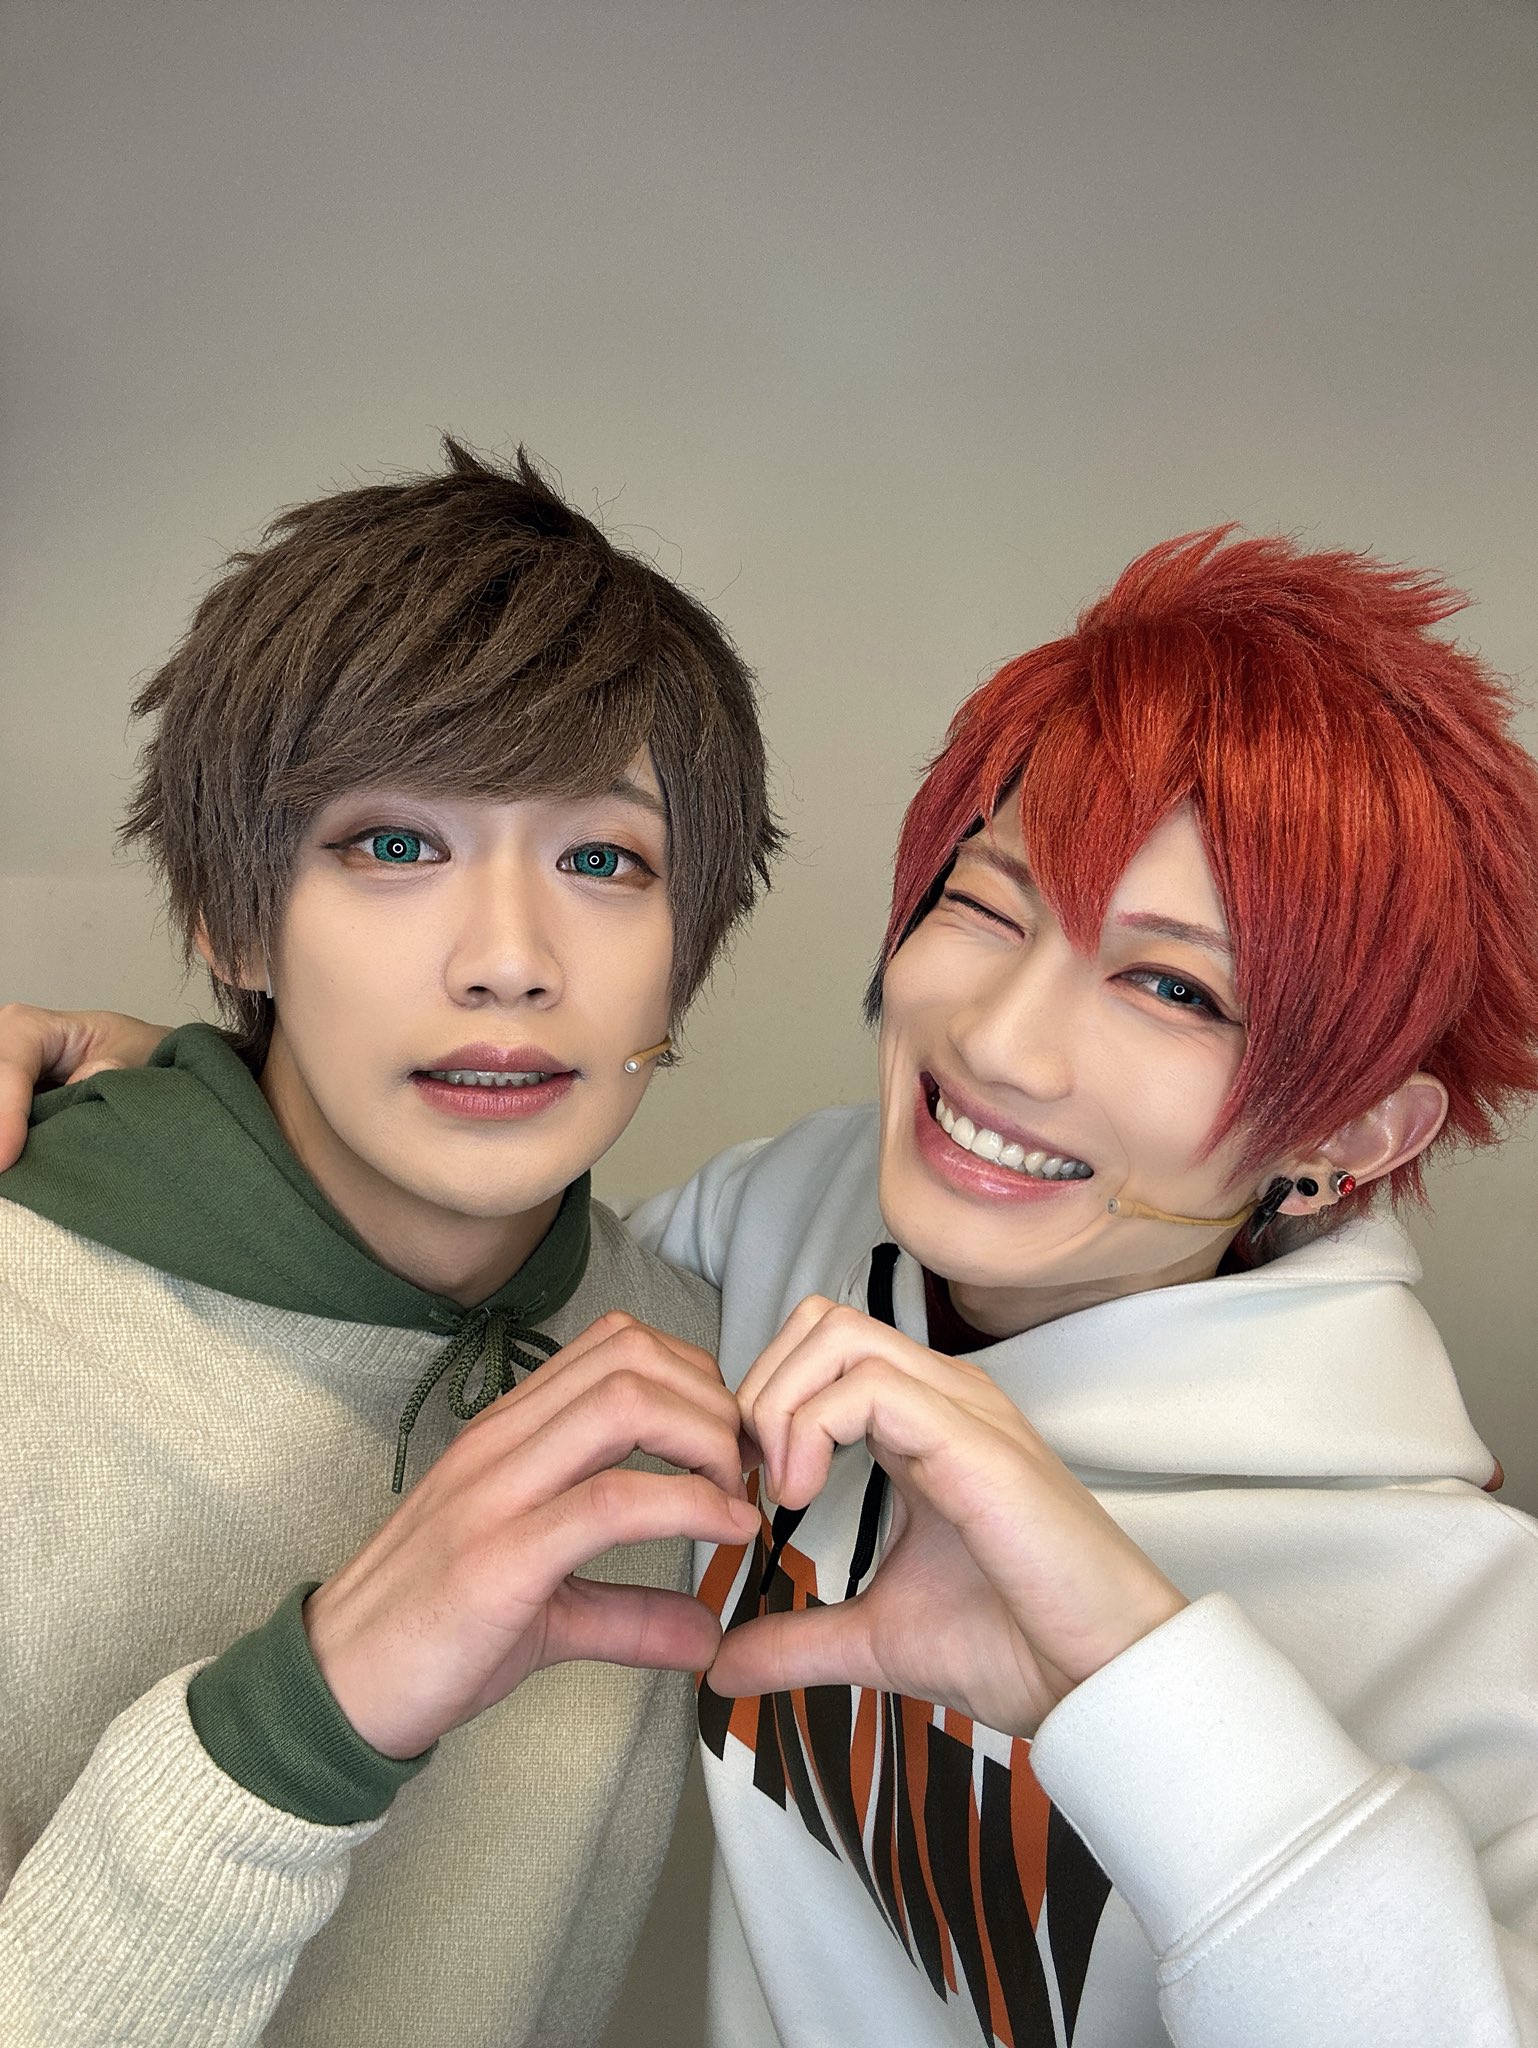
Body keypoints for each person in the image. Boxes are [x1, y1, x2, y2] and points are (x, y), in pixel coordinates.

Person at [11, 527, 1538, 2046]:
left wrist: (1149, 1691)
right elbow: (406, 1223)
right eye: (989, 906)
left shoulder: (1464, 1624)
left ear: (1352, 1136)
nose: (1001, 1046)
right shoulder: (776, 1242)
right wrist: (174, 1098)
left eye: (1172, 987)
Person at [0, 438, 780, 2047]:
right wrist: (294, 1729)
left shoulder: (705, 1355)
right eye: (396, 844)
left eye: (602, 859)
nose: (508, 961)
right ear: (231, 917)